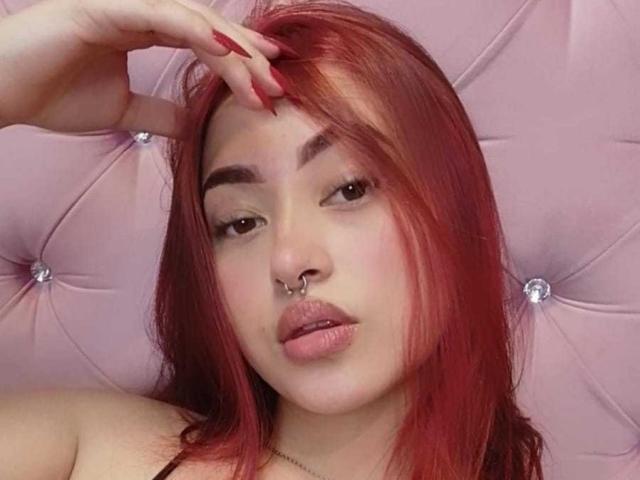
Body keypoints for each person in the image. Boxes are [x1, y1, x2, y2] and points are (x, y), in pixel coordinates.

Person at [0, 0, 545, 479]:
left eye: (349, 189)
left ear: (451, 205)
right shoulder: (89, 449)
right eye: (240, 223)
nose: (288, 260)